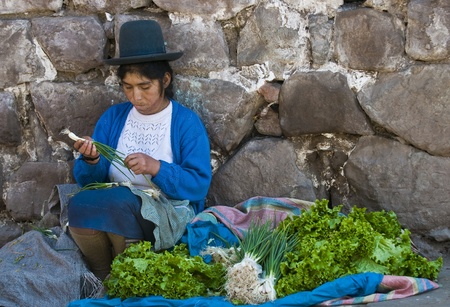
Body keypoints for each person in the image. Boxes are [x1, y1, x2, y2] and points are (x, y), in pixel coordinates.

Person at [67, 20, 212, 280]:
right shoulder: (113, 117)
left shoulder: (185, 123)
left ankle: (130, 274)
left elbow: (198, 185)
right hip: (116, 204)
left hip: (166, 211)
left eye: (145, 87)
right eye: (128, 87)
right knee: (79, 203)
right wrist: (92, 159)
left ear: (165, 80)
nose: (136, 96)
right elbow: (88, 181)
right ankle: (101, 275)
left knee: (119, 204)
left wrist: (156, 167)